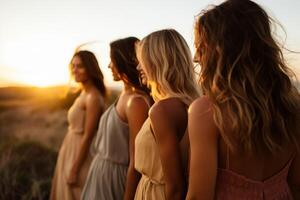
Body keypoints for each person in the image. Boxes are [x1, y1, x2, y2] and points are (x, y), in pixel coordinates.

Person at [187, 0, 300, 199]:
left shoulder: (207, 112)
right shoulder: (292, 106)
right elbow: (296, 182)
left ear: (224, 50)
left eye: (202, 48)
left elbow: (198, 196)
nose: (196, 58)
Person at [81, 37, 152, 200]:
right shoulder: (124, 94)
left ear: (122, 61)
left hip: (115, 179)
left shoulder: (136, 103)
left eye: (112, 60)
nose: (108, 66)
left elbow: (136, 161)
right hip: (100, 172)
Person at [134, 29, 200, 200]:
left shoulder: (162, 110)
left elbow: (176, 187)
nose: (138, 67)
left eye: (143, 60)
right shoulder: (193, 103)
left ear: (158, 61)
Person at [50, 50, 107, 200]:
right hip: (70, 150)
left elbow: (88, 136)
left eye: (80, 66)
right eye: (73, 66)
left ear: (90, 68)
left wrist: (75, 169)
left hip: (80, 156)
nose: (75, 70)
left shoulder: (93, 97)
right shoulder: (84, 92)